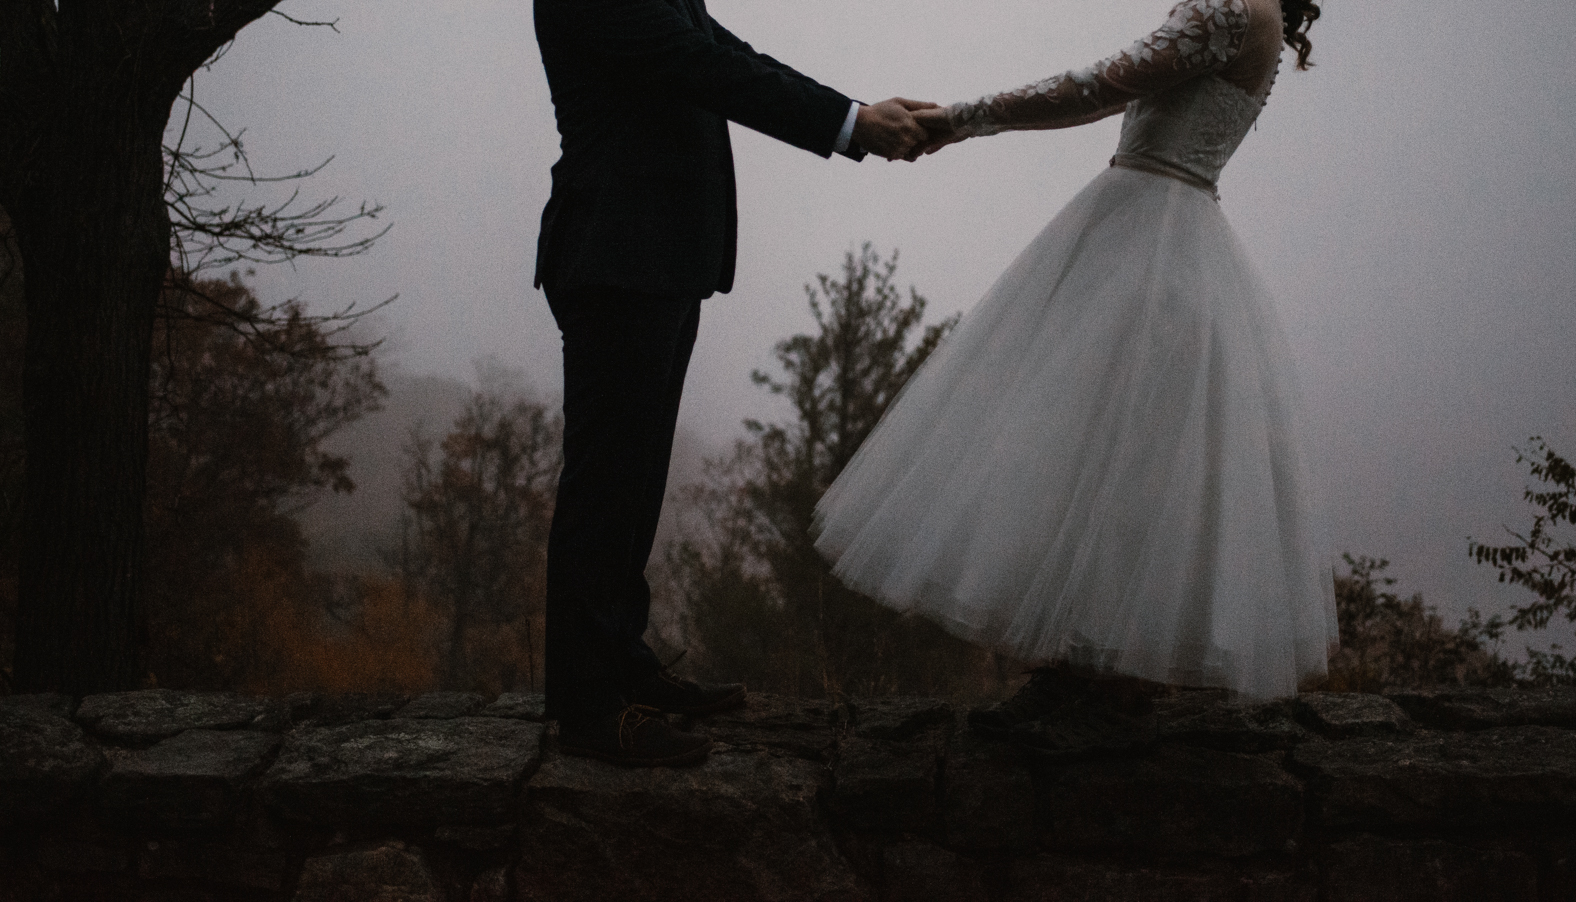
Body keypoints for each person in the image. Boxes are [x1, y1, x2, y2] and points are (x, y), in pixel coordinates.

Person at [813, 0, 1335, 754]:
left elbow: (1094, 87)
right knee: (1102, 458)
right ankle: (1088, 676)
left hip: (1149, 251)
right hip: (1156, 235)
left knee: (1114, 460)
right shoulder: (1258, 17)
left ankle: (1095, 682)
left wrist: (956, 119)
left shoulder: (1233, 7)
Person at [532, 0, 931, 767]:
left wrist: (857, 114)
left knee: (635, 478)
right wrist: (851, 123)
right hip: (617, 255)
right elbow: (708, 68)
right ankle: (587, 708)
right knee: (605, 484)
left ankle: (622, 664)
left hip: (658, 256)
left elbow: (722, 48)